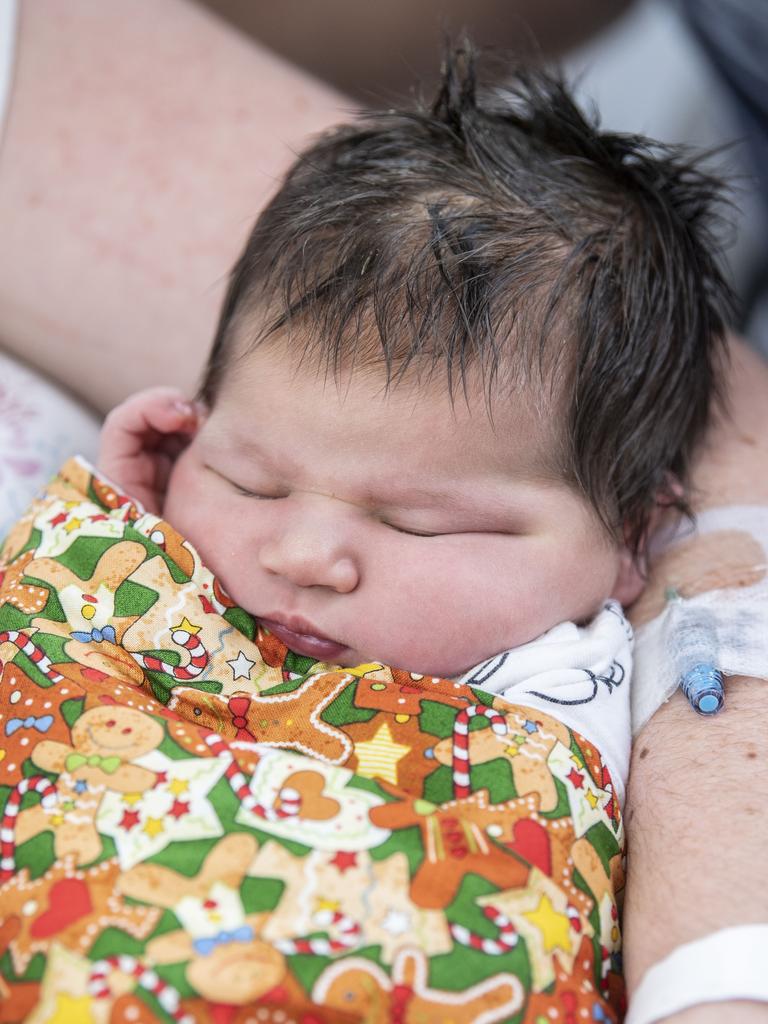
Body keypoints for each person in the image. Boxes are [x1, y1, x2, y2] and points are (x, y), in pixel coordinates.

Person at [1, 3, 767, 1021]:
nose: (308, 555)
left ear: (633, 539)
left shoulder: (617, 688)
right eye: (251, 478)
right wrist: (125, 537)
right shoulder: (158, 541)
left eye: (422, 523)